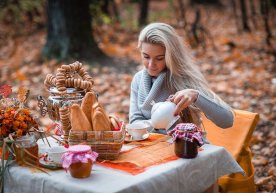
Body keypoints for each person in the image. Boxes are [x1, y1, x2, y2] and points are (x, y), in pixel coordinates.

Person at [129, 22, 234, 132]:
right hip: (151, 147)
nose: (151, 65)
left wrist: (196, 96)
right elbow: (134, 122)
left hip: (186, 145)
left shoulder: (183, 77)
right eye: (146, 57)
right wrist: (158, 121)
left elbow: (227, 121)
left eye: (159, 58)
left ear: (171, 56)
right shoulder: (138, 79)